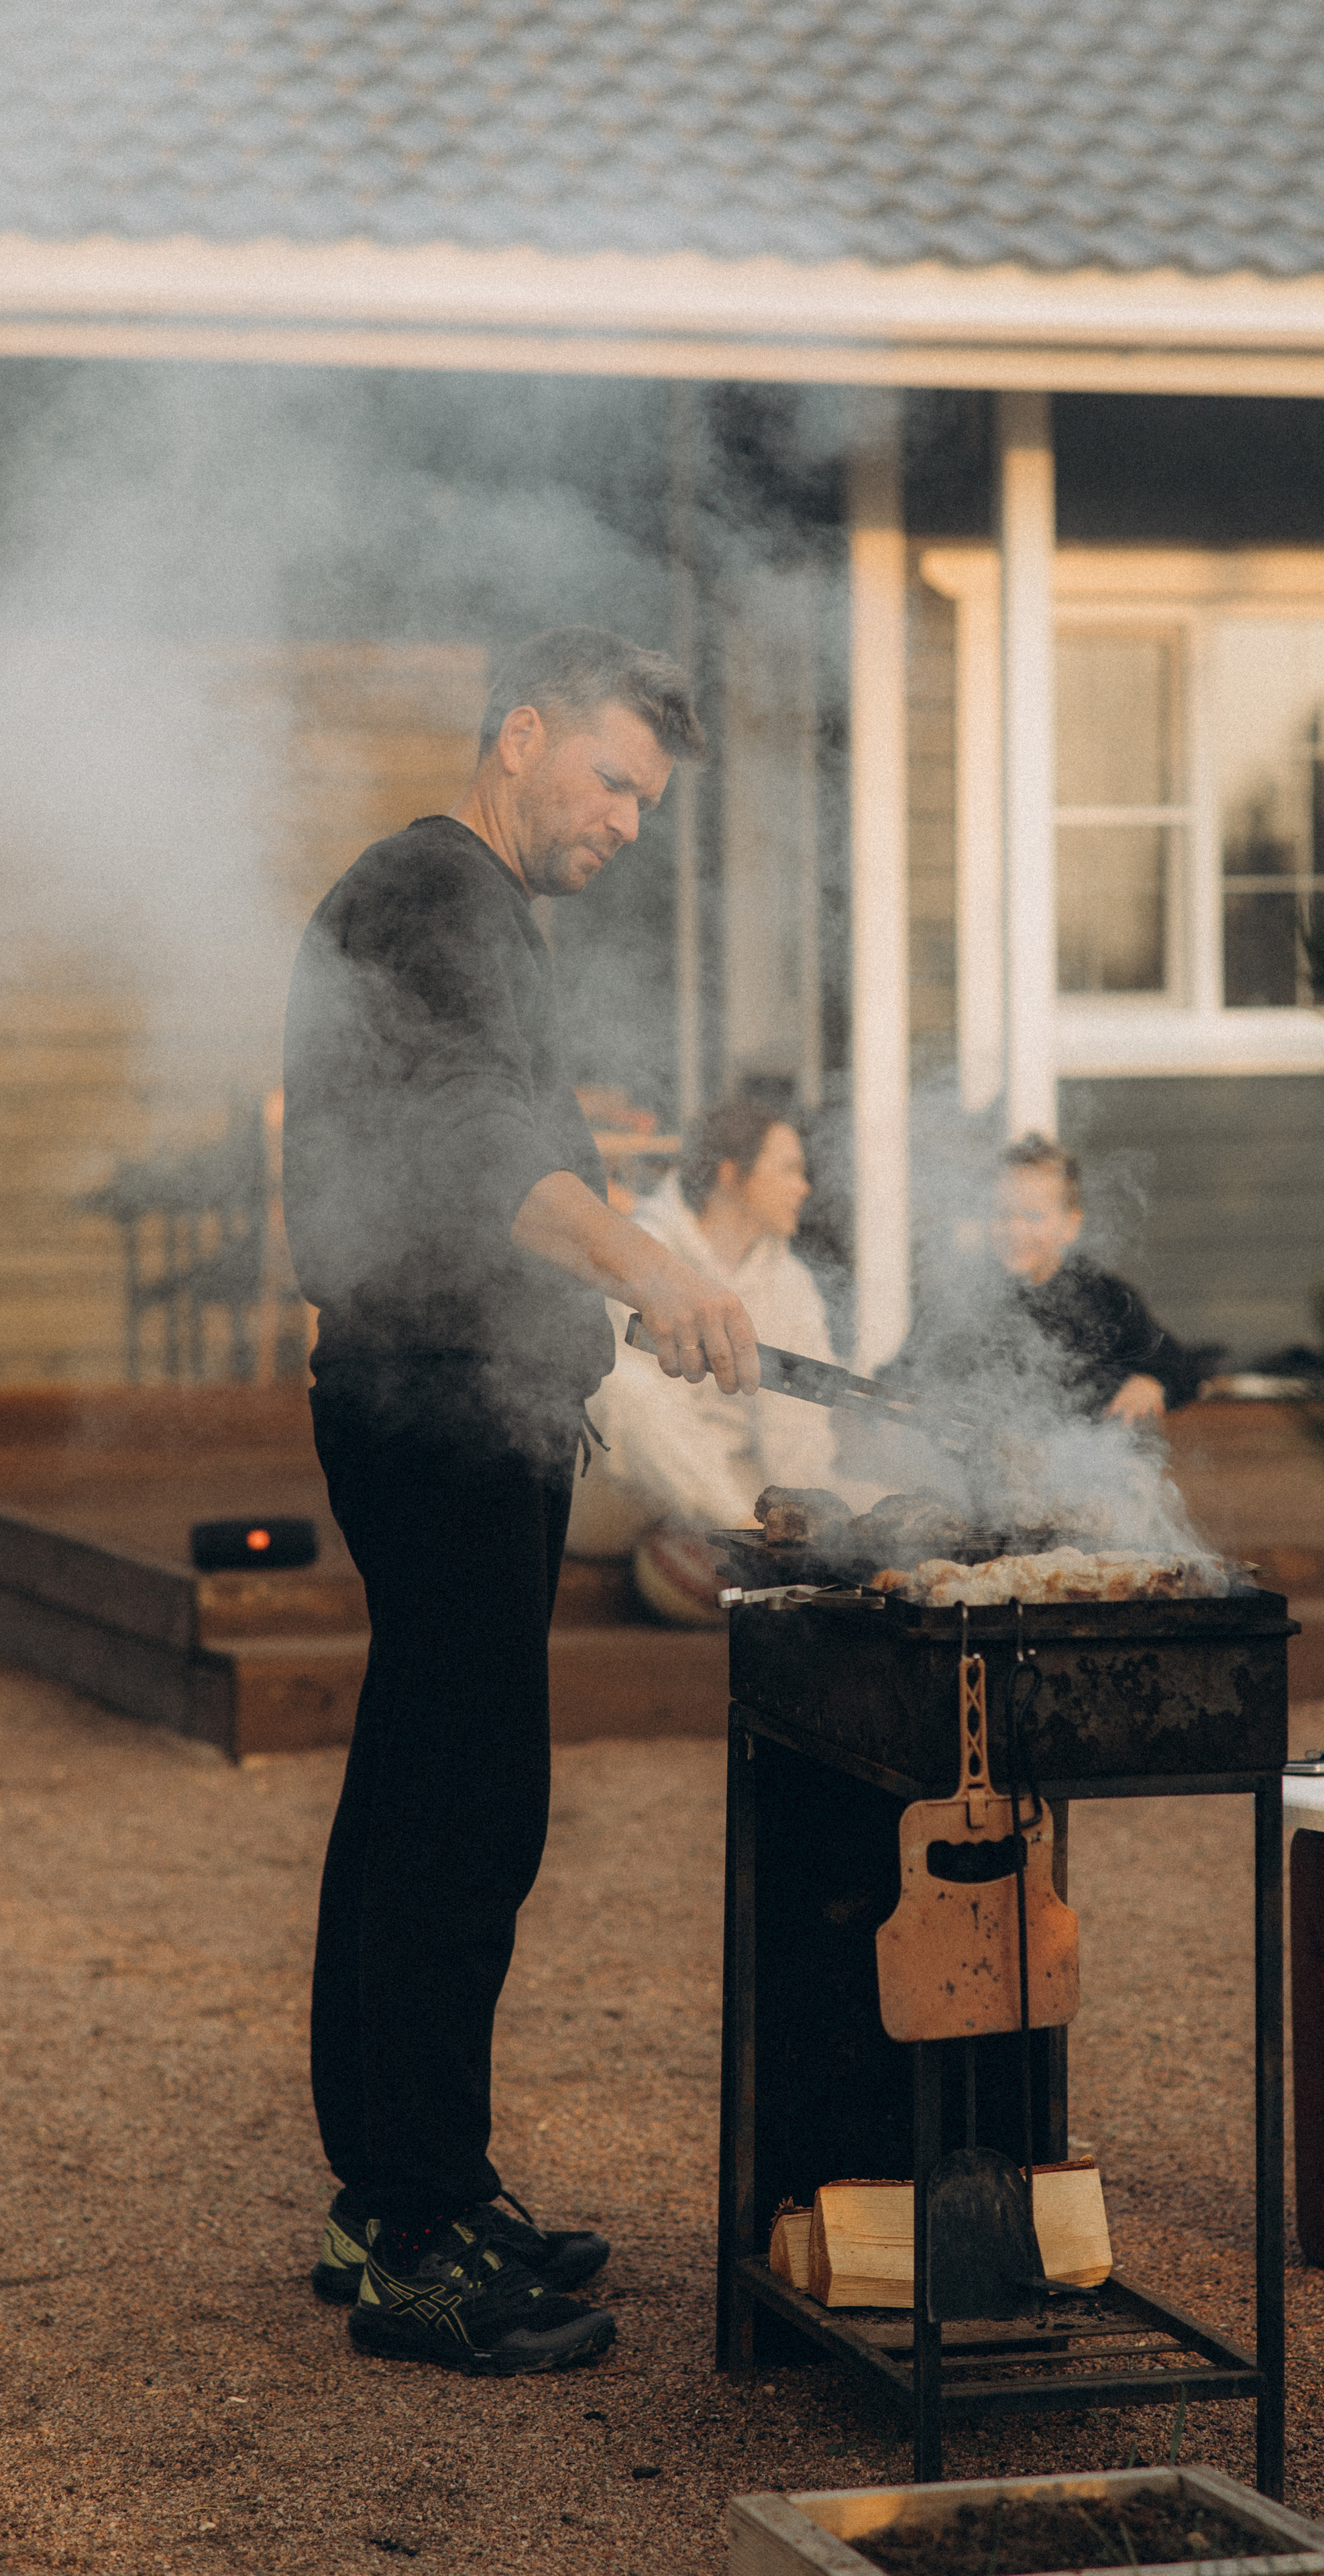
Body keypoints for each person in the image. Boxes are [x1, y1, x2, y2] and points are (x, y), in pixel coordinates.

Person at [282, 627, 762, 2378]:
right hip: (436, 1406)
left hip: (444, 1401)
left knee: (423, 1777)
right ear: (525, 733)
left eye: (651, 798)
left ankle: (403, 2191)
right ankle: (419, 2236)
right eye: (615, 779)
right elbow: (486, 1144)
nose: (631, 820)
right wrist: (654, 1267)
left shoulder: (457, 910)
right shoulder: (442, 886)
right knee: (468, 1803)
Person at [567, 1099, 857, 1621]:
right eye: (789, 1169)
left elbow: (800, 1439)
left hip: (728, 1488)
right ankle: (753, 1548)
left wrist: (819, 1528)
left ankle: (762, 1555)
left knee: (858, 1499)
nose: (804, 1187)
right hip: (621, 1489)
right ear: (731, 1175)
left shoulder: (792, 1285)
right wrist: (747, 1529)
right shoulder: (641, 1248)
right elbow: (630, 1416)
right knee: (625, 1389)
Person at [879, 1133, 1201, 1424]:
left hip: (1084, 1470)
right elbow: (899, 1380)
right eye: (1002, 1215)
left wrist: (1150, 1383)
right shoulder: (959, 1300)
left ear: (1070, 1226)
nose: (1015, 1231)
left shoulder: (1105, 1298)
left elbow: (1181, 1367)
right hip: (973, 1474)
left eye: (1033, 1217)